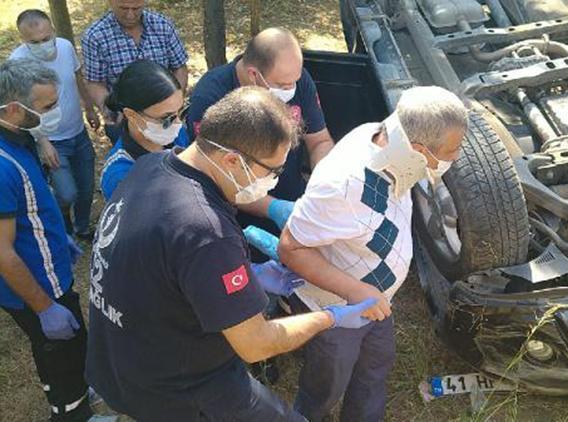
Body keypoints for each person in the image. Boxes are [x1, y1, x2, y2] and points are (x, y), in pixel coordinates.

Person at [85, 86, 376, 421]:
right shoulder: (208, 233)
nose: (273, 181)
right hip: (181, 389)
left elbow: (160, 265)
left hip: (121, 361)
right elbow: (256, 344)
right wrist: (331, 317)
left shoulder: (149, 166)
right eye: (273, 171)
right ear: (232, 160)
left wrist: (247, 275)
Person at [279, 86, 468, 421]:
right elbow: (291, 248)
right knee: (327, 386)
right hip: (336, 310)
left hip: (376, 303)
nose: (456, 157)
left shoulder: (389, 144)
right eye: (452, 151)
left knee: (375, 367)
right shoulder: (343, 185)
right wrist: (355, 291)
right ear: (420, 150)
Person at [187, 27, 335, 257]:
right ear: (254, 75)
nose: (291, 90)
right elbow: (217, 177)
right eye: (284, 85)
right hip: (239, 217)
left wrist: (326, 182)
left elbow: (319, 140)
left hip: (294, 199)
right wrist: (273, 208)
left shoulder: (296, 79)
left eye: (295, 82)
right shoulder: (210, 97)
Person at [0, 59, 93, 421]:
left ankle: (69, 392)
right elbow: (3, 252)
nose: (53, 113)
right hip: (38, 288)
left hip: (48, 270)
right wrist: (44, 307)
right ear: (12, 108)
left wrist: (61, 235)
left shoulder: (19, 136)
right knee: (61, 352)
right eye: (45, 107)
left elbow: (31, 202)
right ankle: (71, 412)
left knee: (62, 349)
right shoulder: (3, 164)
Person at [10, 9, 98, 240]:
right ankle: (63, 224)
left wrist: (89, 108)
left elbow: (77, 78)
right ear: (23, 40)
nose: (43, 45)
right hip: (51, 140)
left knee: (87, 186)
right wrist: (43, 142)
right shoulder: (18, 63)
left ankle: (82, 227)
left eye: (46, 39)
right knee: (67, 193)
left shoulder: (66, 48)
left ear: (53, 32)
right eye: (35, 42)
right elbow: (21, 111)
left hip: (78, 133)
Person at [81, 0, 188, 144]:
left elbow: (179, 67)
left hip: (165, 117)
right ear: (111, 3)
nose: (130, 15)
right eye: (124, 8)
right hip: (124, 120)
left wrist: (174, 105)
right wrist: (108, 109)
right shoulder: (95, 36)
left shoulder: (163, 26)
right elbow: (94, 82)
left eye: (136, 8)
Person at [99, 60, 189, 200]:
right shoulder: (120, 175)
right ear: (132, 115)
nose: (178, 124)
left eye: (180, 112)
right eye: (167, 118)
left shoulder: (178, 135)